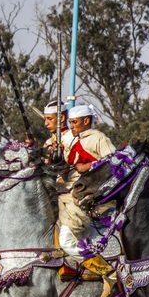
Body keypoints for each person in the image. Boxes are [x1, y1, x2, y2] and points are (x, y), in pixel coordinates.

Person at [58, 104, 116, 271]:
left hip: (88, 197)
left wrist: (89, 165)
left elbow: (113, 162)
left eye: (74, 122)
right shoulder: (74, 140)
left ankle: (106, 272)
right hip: (68, 194)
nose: (71, 126)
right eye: (70, 122)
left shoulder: (98, 138)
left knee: (66, 241)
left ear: (86, 120)